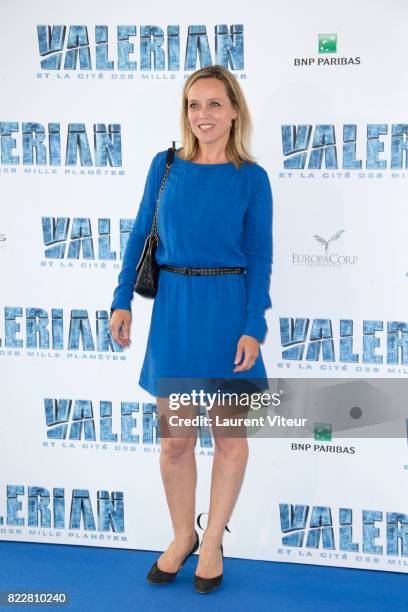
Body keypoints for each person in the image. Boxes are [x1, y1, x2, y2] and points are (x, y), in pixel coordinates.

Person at [109, 64, 273, 594]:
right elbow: (139, 238)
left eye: (214, 104)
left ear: (234, 111)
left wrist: (253, 326)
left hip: (228, 317)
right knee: (176, 442)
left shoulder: (251, 177)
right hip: (175, 315)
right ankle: (182, 536)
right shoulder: (164, 167)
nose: (203, 115)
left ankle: (212, 541)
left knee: (228, 438)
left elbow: (259, 256)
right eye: (194, 105)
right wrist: (121, 301)